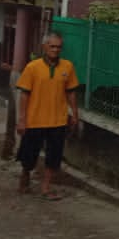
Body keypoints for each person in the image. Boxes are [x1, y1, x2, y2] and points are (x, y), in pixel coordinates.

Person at [15, 31, 80, 200]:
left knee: (54, 156)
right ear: (44, 47)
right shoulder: (32, 67)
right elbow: (24, 94)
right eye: (52, 46)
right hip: (35, 119)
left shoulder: (68, 67)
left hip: (58, 120)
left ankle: (46, 187)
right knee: (29, 154)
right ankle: (25, 174)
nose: (55, 50)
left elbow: (71, 92)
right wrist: (22, 119)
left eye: (58, 47)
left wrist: (75, 114)